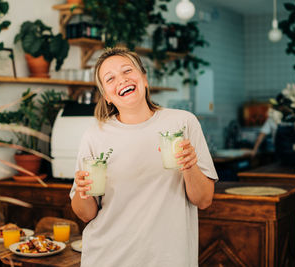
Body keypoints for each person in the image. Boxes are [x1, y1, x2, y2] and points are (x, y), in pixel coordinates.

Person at [70, 47, 218, 267]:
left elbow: (204, 200)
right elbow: (86, 214)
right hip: (107, 258)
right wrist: (83, 192)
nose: (121, 80)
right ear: (107, 97)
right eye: (110, 78)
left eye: (127, 71)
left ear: (144, 79)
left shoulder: (182, 123)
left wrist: (189, 166)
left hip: (169, 259)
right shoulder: (95, 135)